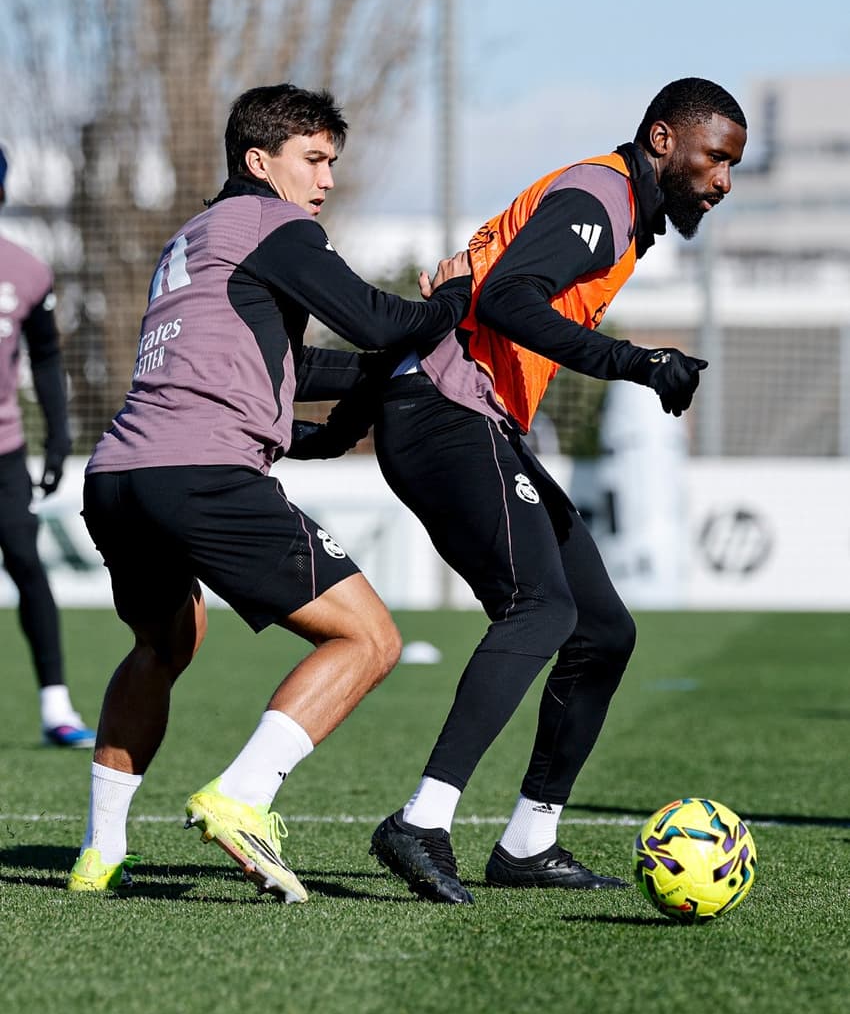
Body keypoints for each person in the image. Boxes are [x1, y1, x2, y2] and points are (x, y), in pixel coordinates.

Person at [66, 83, 471, 898]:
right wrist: (454, 298)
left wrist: (367, 390)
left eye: (332, 163)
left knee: (164, 643)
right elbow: (380, 321)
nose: (325, 180)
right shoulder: (273, 224)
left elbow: (282, 371)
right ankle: (242, 796)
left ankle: (98, 852)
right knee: (370, 639)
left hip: (118, 476)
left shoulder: (196, 238)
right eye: (313, 159)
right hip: (197, 475)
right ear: (260, 161)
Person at [365, 77, 748, 903]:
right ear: (661, 141)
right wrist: (638, 362)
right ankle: (422, 820)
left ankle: (529, 841)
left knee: (602, 630)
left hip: (474, 416)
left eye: (733, 166)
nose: (723, 180)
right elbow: (506, 300)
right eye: (715, 158)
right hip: (443, 411)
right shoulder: (601, 195)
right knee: (541, 609)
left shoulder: (622, 215)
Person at [0, 146, 95, 748]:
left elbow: (47, 354)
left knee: (28, 565)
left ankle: (56, 707)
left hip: (4, 451)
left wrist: (58, 438)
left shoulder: (27, 270)